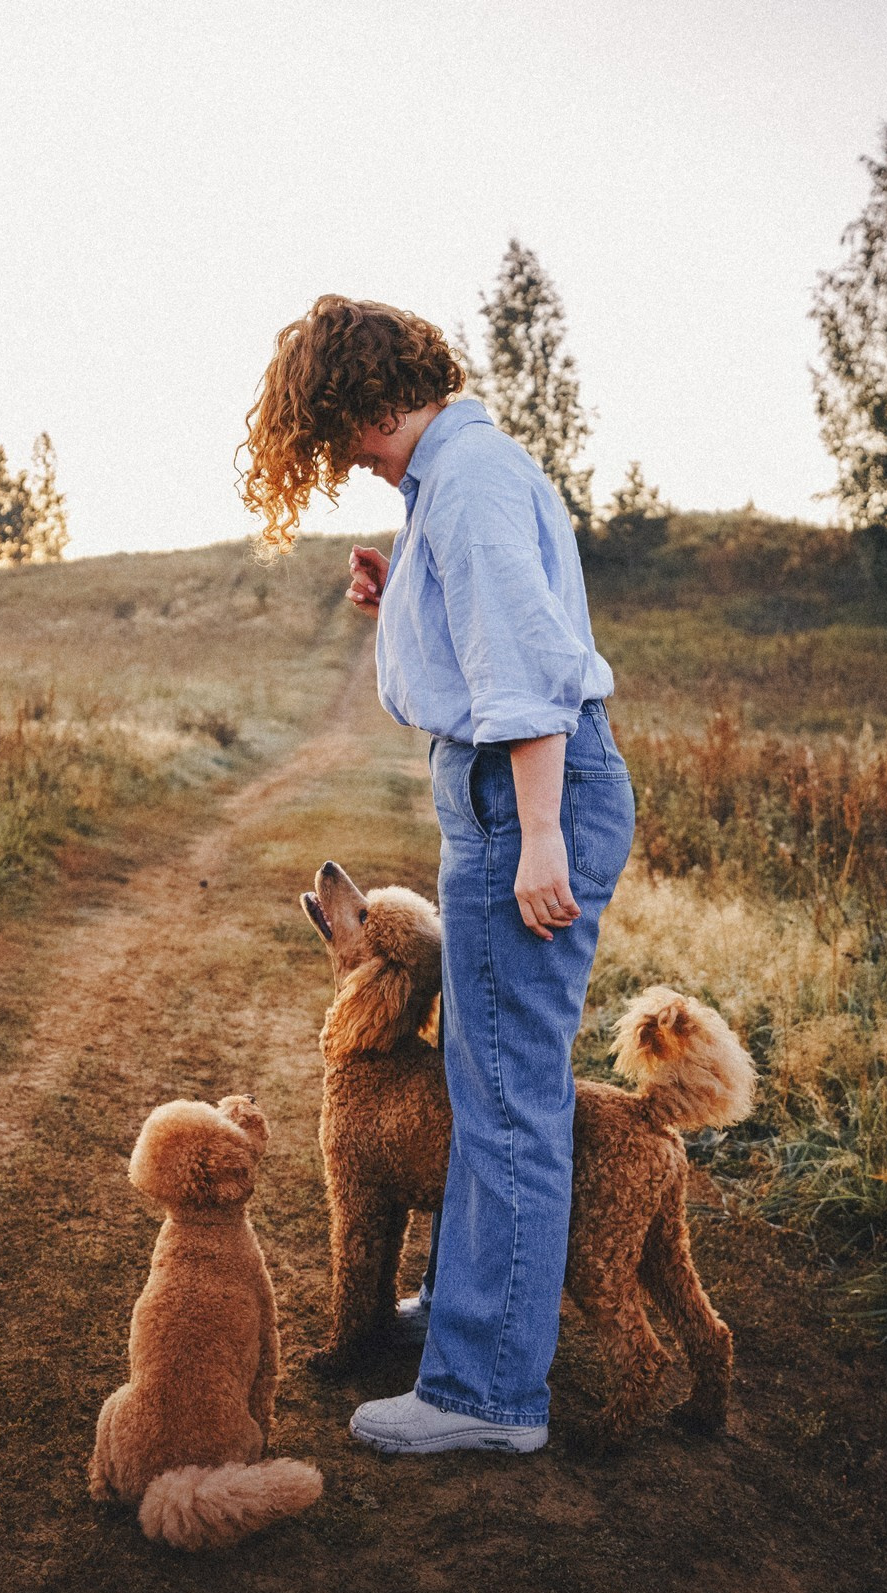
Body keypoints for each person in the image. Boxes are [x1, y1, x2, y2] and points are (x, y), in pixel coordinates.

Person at [240, 294, 632, 1454]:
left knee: (506, 1096)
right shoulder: (453, 480)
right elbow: (480, 637)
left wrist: (543, 834)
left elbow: (525, 670)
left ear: (372, 401)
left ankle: (487, 1393)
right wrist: (396, 599)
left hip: (524, 796)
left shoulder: (461, 481)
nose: (342, 456)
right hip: (504, 794)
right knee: (484, 1078)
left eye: (338, 431)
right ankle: (474, 1314)